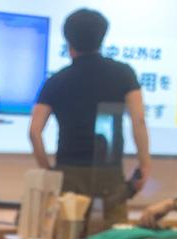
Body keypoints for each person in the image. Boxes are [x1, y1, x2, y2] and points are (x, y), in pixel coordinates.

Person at [29, 8, 151, 226]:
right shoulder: (123, 73)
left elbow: (34, 132)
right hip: (109, 170)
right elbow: (138, 120)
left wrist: (47, 169)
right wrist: (144, 165)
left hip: (69, 171)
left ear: (69, 41)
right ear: (102, 37)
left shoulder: (56, 81)